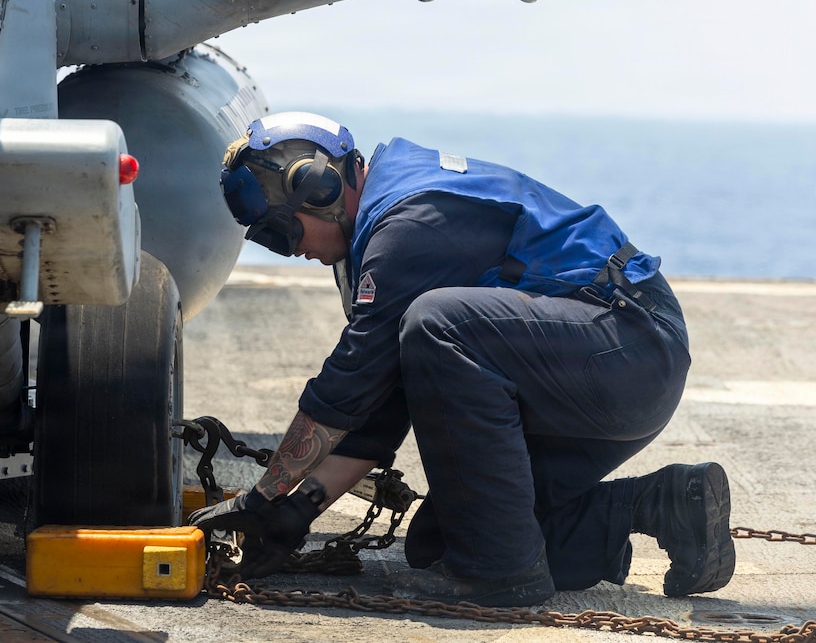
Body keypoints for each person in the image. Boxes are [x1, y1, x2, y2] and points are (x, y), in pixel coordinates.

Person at [190, 111, 735, 606]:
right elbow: (379, 401)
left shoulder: (406, 227)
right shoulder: (384, 225)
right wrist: (298, 509)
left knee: (436, 325)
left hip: (629, 349)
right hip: (592, 365)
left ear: (318, 184)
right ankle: (667, 505)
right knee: (451, 537)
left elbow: (348, 385)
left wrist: (264, 496)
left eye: (282, 233)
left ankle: (506, 577)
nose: (294, 251)